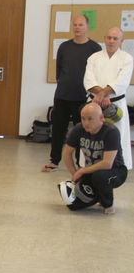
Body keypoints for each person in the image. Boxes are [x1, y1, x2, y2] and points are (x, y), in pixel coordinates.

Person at [42, 15, 102, 172]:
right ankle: (54, 161)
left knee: (82, 131)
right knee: (58, 129)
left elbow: (97, 74)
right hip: (62, 95)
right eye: (75, 25)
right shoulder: (64, 46)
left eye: (81, 25)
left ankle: (80, 162)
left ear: (87, 26)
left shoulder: (95, 48)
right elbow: (59, 71)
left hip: (83, 98)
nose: (77, 27)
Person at [61, 103, 127, 214]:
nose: (86, 123)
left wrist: (81, 171)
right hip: (91, 171)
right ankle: (99, 196)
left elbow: (107, 164)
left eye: (90, 119)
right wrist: (75, 174)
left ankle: (108, 204)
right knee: (74, 206)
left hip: (116, 171)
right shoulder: (78, 129)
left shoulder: (111, 131)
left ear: (101, 118)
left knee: (100, 177)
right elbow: (66, 153)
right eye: (83, 118)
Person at [83, 26, 133, 170]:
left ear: (121, 41)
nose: (111, 41)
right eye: (108, 38)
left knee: (117, 134)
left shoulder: (127, 59)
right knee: (91, 132)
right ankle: (90, 164)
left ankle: (119, 165)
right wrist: (101, 95)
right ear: (104, 39)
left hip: (115, 103)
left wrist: (104, 94)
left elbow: (122, 82)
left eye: (115, 38)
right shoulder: (94, 57)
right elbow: (88, 81)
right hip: (95, 103)